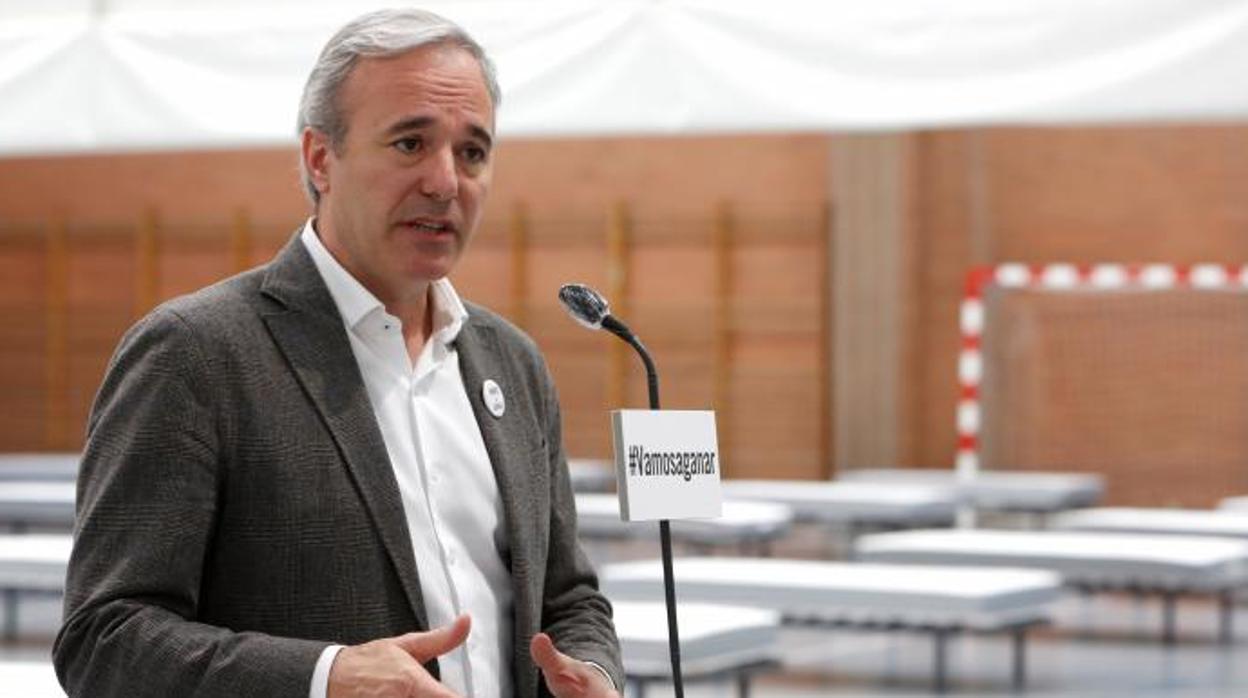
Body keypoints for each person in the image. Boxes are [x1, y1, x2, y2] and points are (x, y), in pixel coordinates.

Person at [52, 8, 622, 698]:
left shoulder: (512, 363)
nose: (447, 182)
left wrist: (591, 672)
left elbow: (569, 597)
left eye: (472, 152)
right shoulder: (195, 355)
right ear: (321, 159)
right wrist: (324, 679)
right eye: (411, 144)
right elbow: (104, 639)